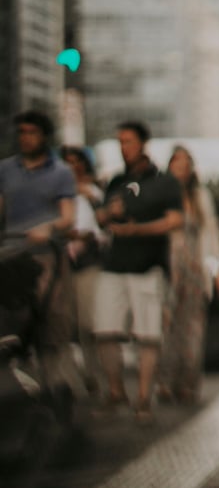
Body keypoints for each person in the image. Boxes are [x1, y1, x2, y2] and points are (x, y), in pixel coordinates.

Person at [92, 121, 184, 425]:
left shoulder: (164, 182)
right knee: (105, 330)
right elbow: (100, 219)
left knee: (148, 335)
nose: (124, 147)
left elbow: (174, 221)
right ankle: (116, 390)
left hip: (148, 266)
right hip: (115, 264)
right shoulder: (116, 181)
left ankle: (143, 398)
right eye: (120, 141)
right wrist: (109, 214)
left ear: (143, 143)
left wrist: (136, 230)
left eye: (129, 141)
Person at [0, 110, 79, 398]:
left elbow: (68, 217)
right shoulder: (6, 169)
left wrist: (48, 227)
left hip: (46, 257)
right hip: (10, 256)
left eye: (32, 132)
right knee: (12, 319)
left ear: (44, 136)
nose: (25, 138)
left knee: (51, 320)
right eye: (21, 132)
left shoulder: (61, 173)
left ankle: (53, 386)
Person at [155, 145, 219, 405]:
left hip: (195, 266)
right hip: (169, 264)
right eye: (177, 163)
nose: (181, 169)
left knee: (193, 327)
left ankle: (188, 383)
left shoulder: (200, 196)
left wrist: (217, 268)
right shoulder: (161, 195)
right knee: (166, 323)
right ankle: (165, 381)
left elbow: (212, 232)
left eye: (186, 164)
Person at [59, 145, 106, 397]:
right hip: (61, 264)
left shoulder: (92, 192)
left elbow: (102, 225)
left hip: (88, 263)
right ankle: (71, 383)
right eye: (67, 161)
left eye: (76, 161)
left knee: (89, 325)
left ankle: (94, 376)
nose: (72, 166)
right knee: (65, 327)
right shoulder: (56, 192)